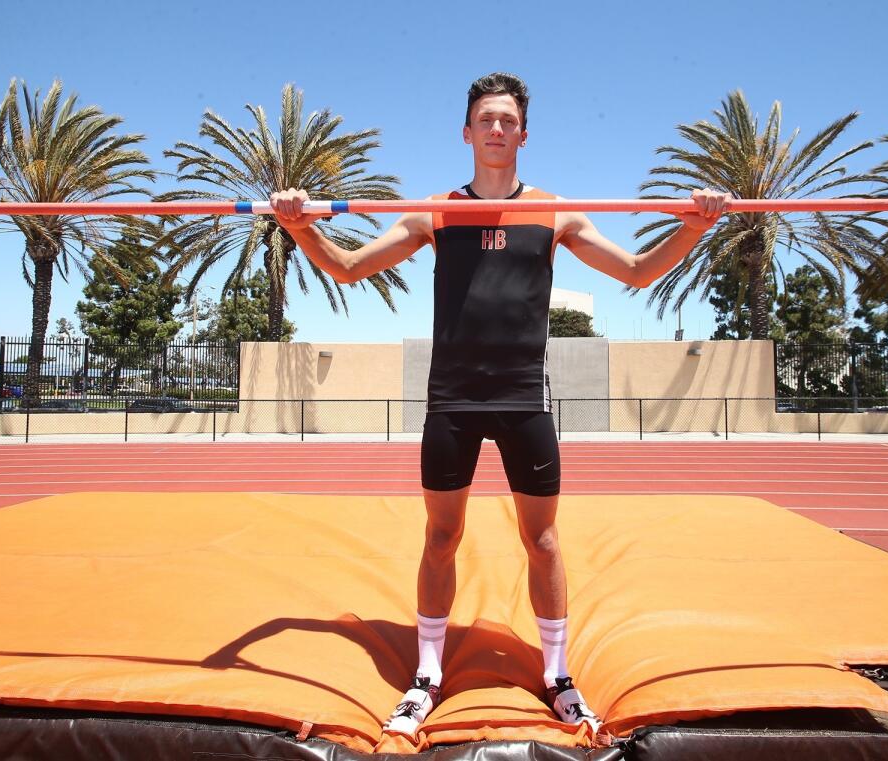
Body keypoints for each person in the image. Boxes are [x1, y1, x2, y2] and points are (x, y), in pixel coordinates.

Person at [271, 72, 729, 740]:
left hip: (522, 399)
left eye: (507, 120)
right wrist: (298, 227)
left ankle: (558, 675)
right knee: (441, 536)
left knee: (541, 541)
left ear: (522, 133)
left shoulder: (552, 211)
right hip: (452, 398)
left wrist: (697, 225)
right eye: (485, 119)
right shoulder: (437, 211)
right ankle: (426, 674)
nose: (495, 129)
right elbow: (346, 267)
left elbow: (636, 272)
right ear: (467, 132)